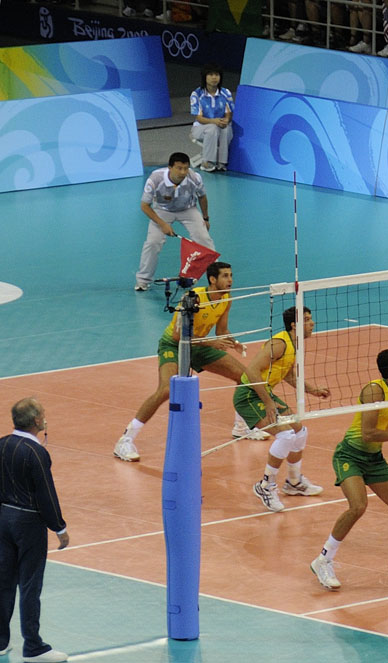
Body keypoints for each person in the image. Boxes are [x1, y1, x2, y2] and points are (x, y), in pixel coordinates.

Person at [310, 347, 388, 590]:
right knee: (358, 506)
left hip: (375, 459)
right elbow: (368, 434)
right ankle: (323, 560)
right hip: (350, 456)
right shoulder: (374, 391)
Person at [115, 262, 247, 462]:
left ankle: (242, 427)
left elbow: (221, 331)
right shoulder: (192, 298)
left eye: (231, 275)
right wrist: (211, 342)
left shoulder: (226, 299)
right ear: (213, 279)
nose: (230, 280)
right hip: (173, 345)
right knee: (166, 389)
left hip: (199, 345)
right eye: (225, 276)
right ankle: (125, 440)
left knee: (245, 377)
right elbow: (178, 336)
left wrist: (234, 342)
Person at [238, 307, 331, 513]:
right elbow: (252, 371)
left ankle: (293, 482)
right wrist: (268, 402)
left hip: (264, 393)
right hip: (248, 395)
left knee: (300, 431)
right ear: (294, 325)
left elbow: (288, 375)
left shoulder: (293, 344)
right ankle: (265, 486)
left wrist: (313, 390)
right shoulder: (279, 344)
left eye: (311, 319)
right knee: (286, 435)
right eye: (307, 319)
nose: (312, 323)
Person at [0, 399, 69, 663]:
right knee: (30, 584)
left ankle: (0, 641)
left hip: (3, 519)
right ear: (37, 420)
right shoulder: (36, 452)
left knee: (4, 582)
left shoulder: (2, 444)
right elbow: (46, 494)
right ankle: (33, 646)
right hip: (28, 524)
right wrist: (59, 527)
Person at [133, 152, 214, 292]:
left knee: (204, 240)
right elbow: (144, 206)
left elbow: (202, 197)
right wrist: (162, 224)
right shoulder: (155, 178)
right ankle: (143, 280)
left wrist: (205, 218)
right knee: (153, 242)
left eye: (186, 168)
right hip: (162, 210)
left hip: (188, 209)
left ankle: (215, 276)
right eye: (179, 168)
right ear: (170, 167)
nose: (183, 172)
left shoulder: (195, 178)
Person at [189, 63, 234, 173]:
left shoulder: (226, 93)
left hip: (220, 126)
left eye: (217, 75)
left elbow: (229, 112)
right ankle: (207, 162)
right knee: (212, 128)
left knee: (226, 129)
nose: (214, 78)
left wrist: (226, 120)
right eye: (210, 74)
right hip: (200, 129)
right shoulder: (196, 94)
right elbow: (199, 118)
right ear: (204, 77)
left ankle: (222, 162)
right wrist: (214, 121)